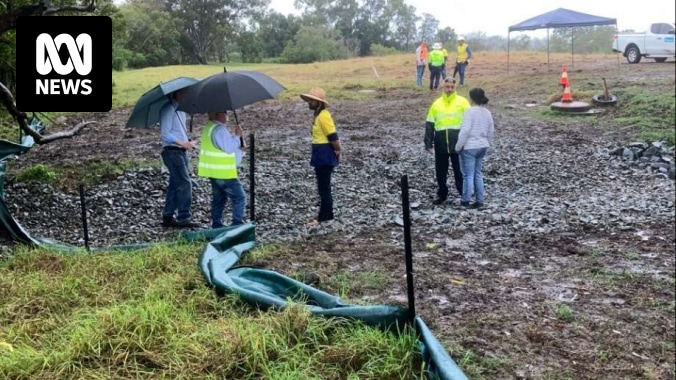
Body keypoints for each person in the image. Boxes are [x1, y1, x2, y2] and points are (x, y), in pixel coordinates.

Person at [424, 77, 471, 205]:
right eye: (447, 87)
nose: (449, 89)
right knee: (440, 172)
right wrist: (428, 143)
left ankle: (464, 195)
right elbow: (429, 123)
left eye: (452, 87)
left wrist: (469, 141)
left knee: (460, 172)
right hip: (440, 144)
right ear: (443, 87)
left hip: (459, 144)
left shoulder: (463, 102)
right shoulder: (436, 104)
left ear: (455, 88)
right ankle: (442, 195)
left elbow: (470, 122)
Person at [198, 111, 247, 228]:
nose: (226, 114)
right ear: (218, 114)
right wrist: (237, 136)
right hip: (224, 173)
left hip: (213, 171)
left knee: (219, 199)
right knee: (239, 197)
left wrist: (238, 143)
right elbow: (229, 148)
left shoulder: (209, 127)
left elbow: (224, 146)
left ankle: (216, 224)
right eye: (224, 112)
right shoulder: (219, 130)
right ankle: (237, 224)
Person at [159, 88, 199, 228]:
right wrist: (183, 143)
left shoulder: (181, 110)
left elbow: (178, 132)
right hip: (172, 152)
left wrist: (188, 143)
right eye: (182, 93)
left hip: (180, 151)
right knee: (185, 183)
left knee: (175, 184)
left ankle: (168, 216)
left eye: (186, 93)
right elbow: (165, 134)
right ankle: (184, 217)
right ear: (175, 94)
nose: (185, 96)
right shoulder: (168, 109)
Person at [300, 88, 341, 223]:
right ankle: (326, 214)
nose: (309, 102)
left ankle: (325, 216)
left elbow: (332, 136)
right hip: (319, 152)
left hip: (324, 153)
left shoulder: (324, 115)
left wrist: (338, 150)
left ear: (318, 102)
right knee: (322, 186)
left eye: (311, 100)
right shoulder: (318, 116)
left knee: (324, 187)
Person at [455, 88, 494, 208]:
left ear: (471, 98)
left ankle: (466, 199)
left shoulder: (469, 112)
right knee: (478, 173)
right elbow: (491, 130)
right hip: (482, 145)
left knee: (468, 174)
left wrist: (458, 147)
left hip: (469, 147)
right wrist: (489, 143)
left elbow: (465, 131)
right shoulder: (487, 112)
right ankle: (480, 200)